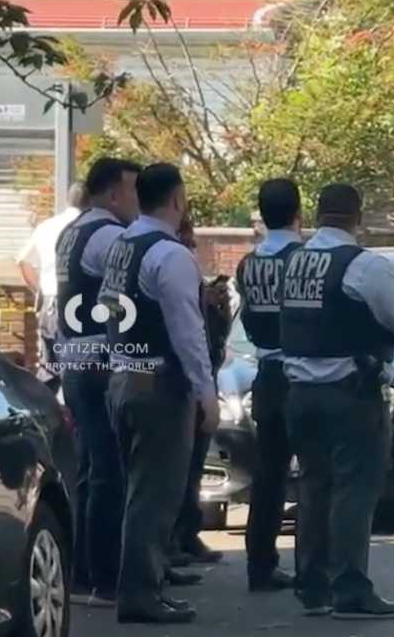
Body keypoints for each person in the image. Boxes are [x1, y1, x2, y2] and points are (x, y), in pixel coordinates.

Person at [280, 184, 394, 620]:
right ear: (357, 217)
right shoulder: (363, 266)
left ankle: (312, 586)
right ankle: (349, 588)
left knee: (313, 486)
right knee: (353, 490)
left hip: (299, 392)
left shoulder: (293, 262)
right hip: (350, 393)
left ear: (317, 213)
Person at [101, 163, 220, 623]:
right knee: (157, 493)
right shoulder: (170, 255)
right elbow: (187, 331)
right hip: (159, 384)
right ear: (177, 199)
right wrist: (204, 392)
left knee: (138, 489)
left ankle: (141, 584)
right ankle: (141, 594)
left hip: (123, 376)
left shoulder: (122, 246)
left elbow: (110, 309)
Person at [55, 159, 140, 608]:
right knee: (109, 471)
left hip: (75, 358)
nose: (138, 202)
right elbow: (140, 286)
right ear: (112, 195)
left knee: (90, 469)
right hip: (101, 361)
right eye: (133, 191)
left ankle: (84, 572)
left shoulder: (73, 231)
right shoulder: (109, 236)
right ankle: (107, 577)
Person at [236, 179, 304, 592]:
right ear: (299, 213)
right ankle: (315, 565)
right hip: (303, 371)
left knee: (269, 474)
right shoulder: (302, 259)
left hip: (265, 371)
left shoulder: (248, 264)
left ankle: (260, 564)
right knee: (316, 472)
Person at [167, 216, 229, 569]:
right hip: (180, 381)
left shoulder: (191, 276)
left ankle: (187, 534)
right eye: (186, 237)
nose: (191, 245)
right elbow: (187, 333)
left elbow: (209, 337)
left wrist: (216, 306)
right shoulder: (170, 267)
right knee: (175, 469)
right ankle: (171, 540)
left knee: (192, 467)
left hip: (202, 376)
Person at [19, 182, 85, 379]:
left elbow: (24, 261)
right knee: (80, 366)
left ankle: (50, 407)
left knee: (50, 366)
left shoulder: (46, 226)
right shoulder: (90, 227)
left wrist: (39, 289)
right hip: (79, 302)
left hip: (50, 299)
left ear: (67, 200)